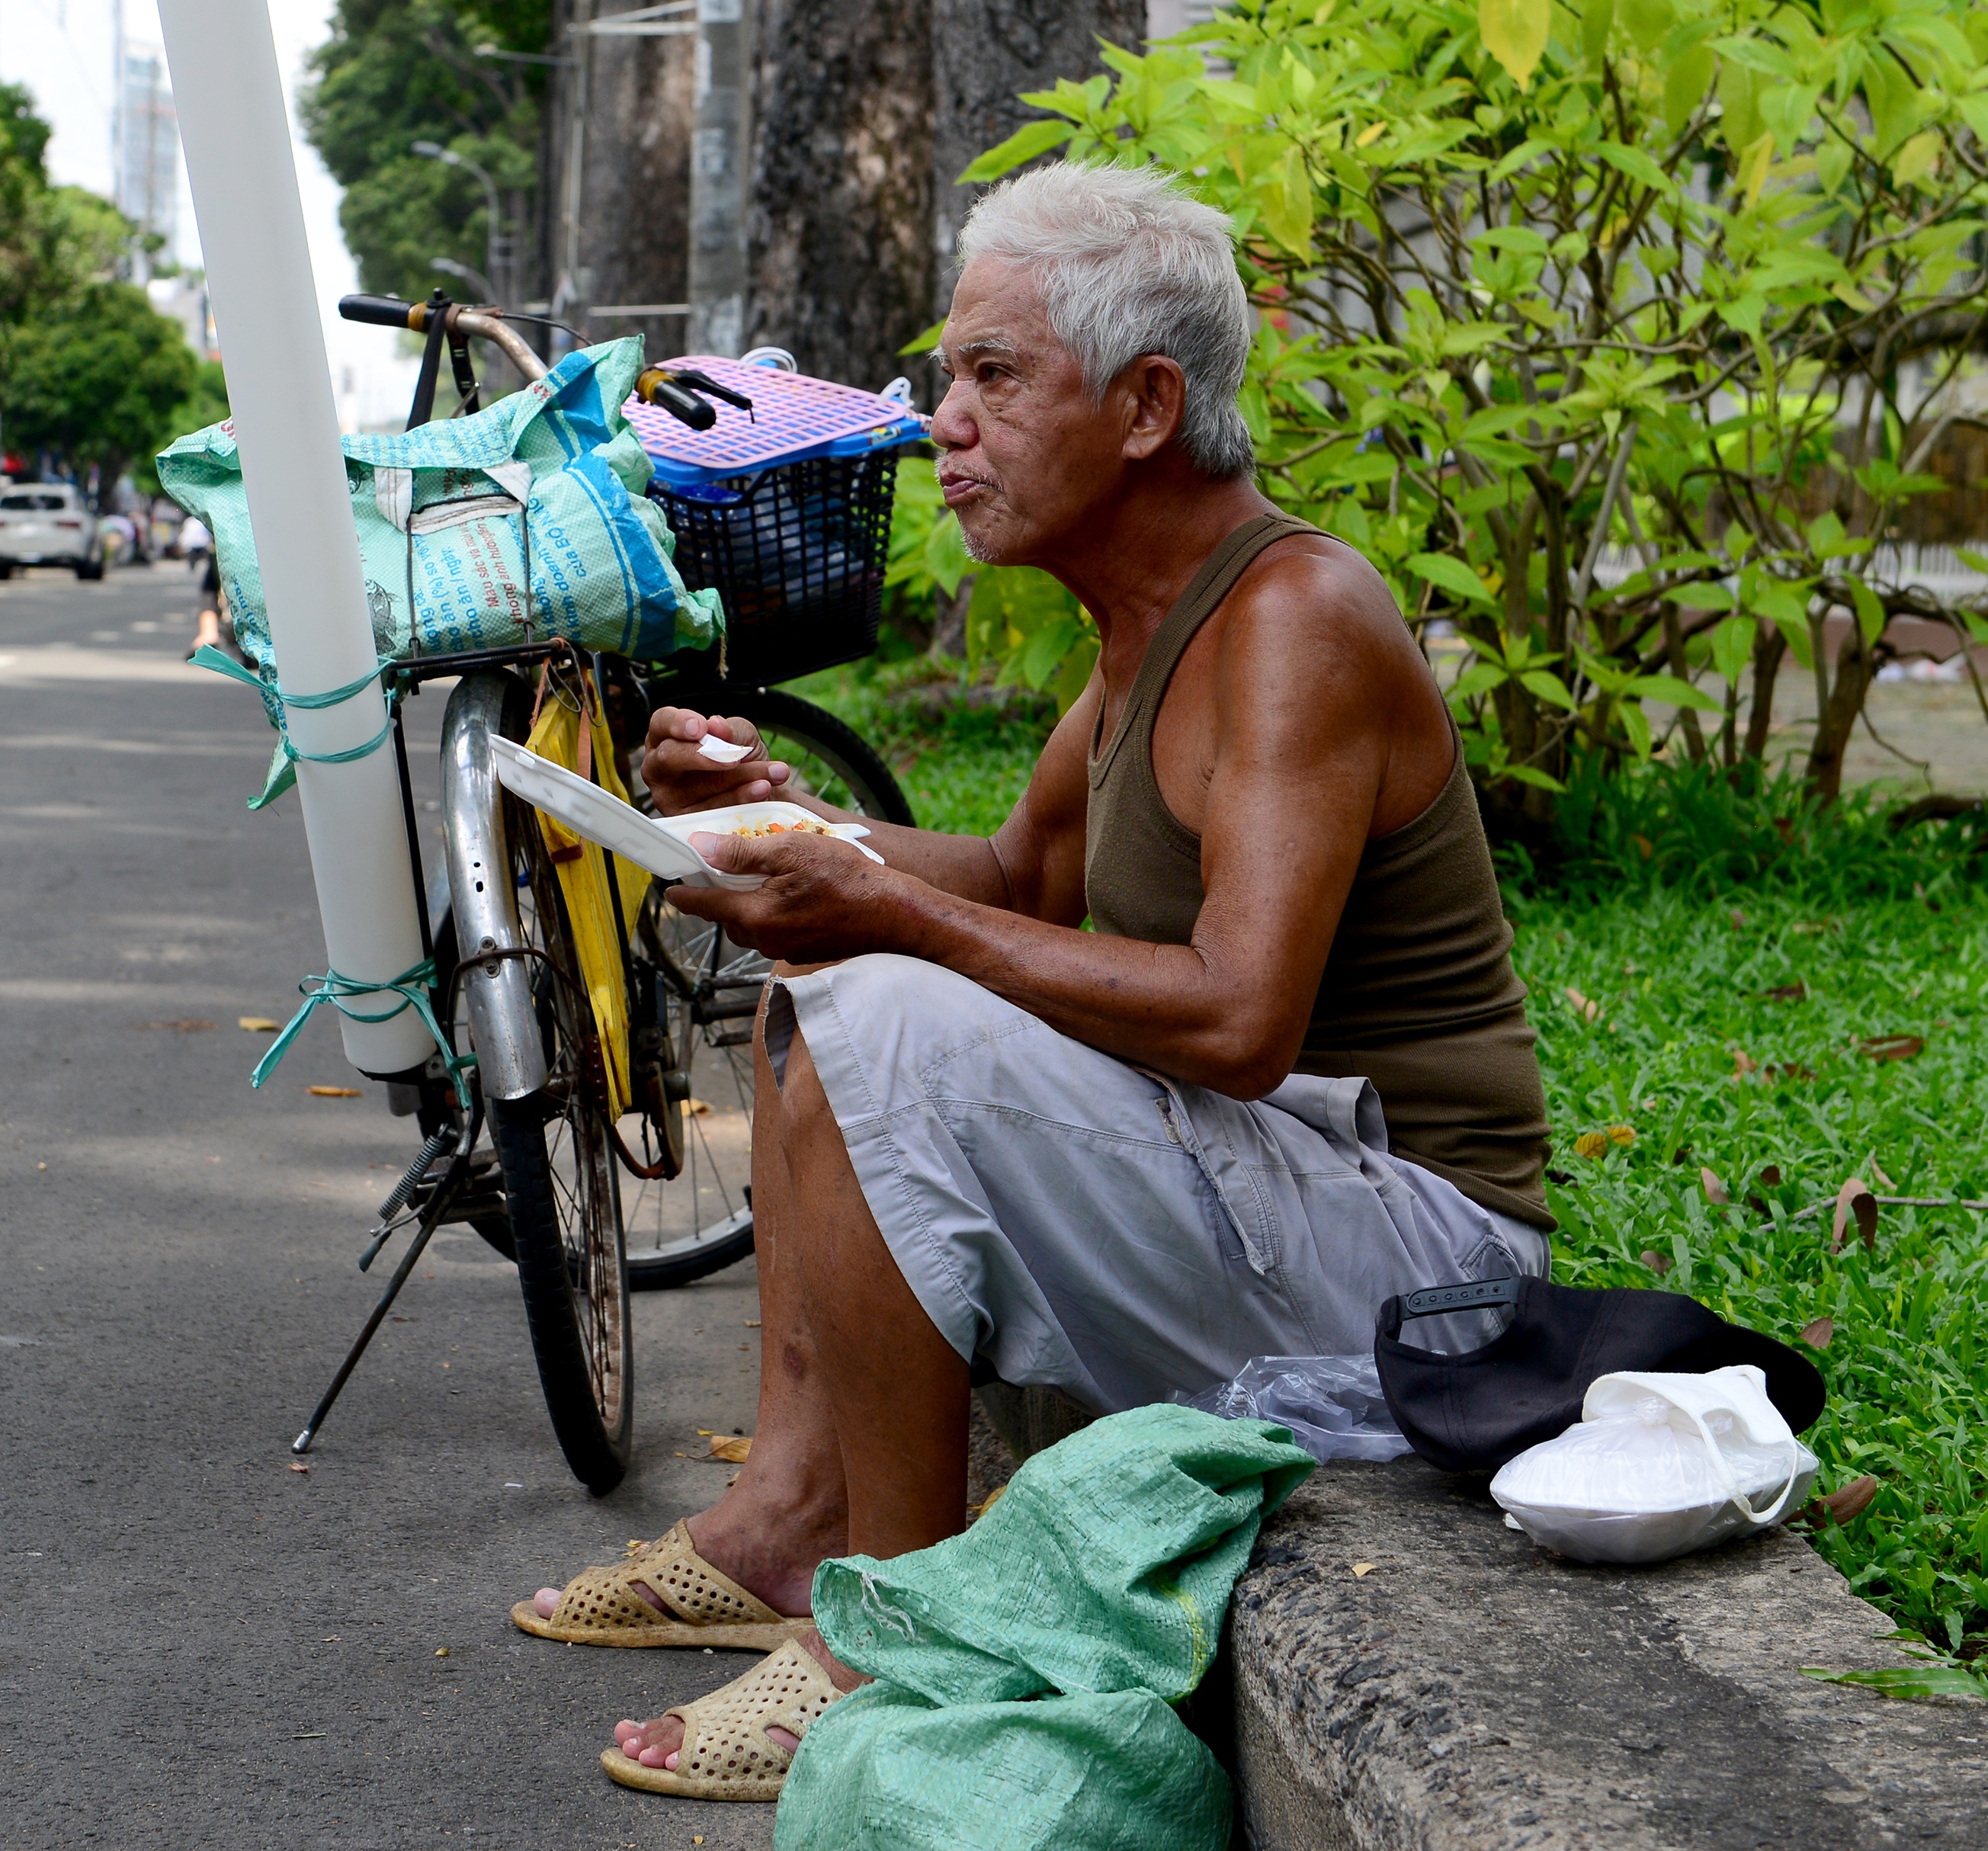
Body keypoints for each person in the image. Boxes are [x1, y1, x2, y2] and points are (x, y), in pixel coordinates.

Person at [516, 162, 1556, 1802]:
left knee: (878, 990)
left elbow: (1232, 1017)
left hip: (1418, 1265)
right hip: (1271, 1196)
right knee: (826, 974)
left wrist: (876, 910)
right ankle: (792, 1521)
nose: (942, 421)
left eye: (993, 375)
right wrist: (780, 812)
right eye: (950, 377)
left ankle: (896, 1640)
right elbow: (1009, 883)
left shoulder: (1293, 621)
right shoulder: (1135, 636)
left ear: (1147, 406)